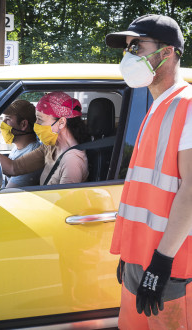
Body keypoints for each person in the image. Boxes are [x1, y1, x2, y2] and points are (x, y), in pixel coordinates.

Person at [105, 14, 192, 329]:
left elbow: (191, 192)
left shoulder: (187, 106)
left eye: (137, 46)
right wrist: (129, 253)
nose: (128, 56)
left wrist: (162, 261)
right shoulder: (157, 106)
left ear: (167, 52)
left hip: (170, 267)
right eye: (127, 48)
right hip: (140, 259)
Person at [0, 92, 89, 186]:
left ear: (61, 123)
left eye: (40, 119)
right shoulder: (50, 147)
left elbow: (64, 206)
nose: (36, 124)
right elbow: (14, 167)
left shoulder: (72, 160)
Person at [0, 99, 41, 187]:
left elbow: (7, 193)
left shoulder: (32, 155)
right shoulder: (18, 148)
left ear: (23, 124)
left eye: (8, 119)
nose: (3, 123)